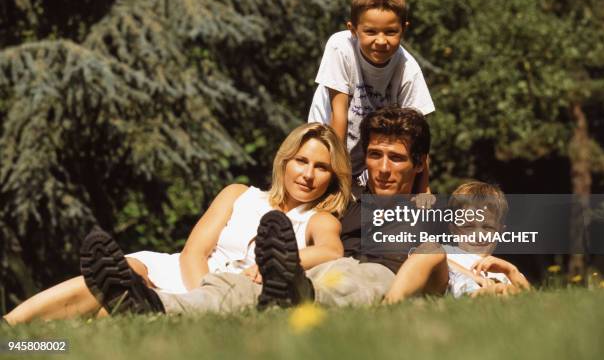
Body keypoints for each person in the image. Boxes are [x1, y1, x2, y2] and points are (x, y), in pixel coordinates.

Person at [2, 122, 352, 324]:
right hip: (188, 274)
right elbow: (192, 253)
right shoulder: (239, 194)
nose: (308, 175)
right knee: (123, 271)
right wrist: (201, 288)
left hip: (230, 292)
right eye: (301, 161)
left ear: (332, 177)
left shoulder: (316, 218)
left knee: (109, 313)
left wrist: (283, 262)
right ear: (284, 161)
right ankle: (10, 328)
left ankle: (31, 347)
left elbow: (330, 250)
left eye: (321, 167)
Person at [258, 106, 433, 308]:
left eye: (396, 158)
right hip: (319, 273)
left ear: (419, 163)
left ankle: (301, 295)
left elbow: (443, 261)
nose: (383, 169)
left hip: (377, 279)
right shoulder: (340, 201)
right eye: (375, 155)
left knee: (358, 277)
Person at [307, 0, 435, 186]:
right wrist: (337, 182)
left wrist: (423, 189)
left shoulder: (408, 70)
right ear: (353, 30)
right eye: (371, 32)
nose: (381, 40)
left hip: (368, 162)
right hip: (327, 147)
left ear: (404, 29)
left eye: (391, 32)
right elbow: (338, 118)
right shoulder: (340, 48)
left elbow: (417, 137)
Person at [384, 181, 531, 304]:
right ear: (453, 229)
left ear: (500, 232)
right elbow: (418, 258)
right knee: (431, 248)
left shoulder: (504, 273)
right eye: (468, 226)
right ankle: (389, 305)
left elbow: (532, 300)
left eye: (487, 227)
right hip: (442, 289)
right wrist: (471, 275)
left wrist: (510, 270)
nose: (478, 235)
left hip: (482, 300)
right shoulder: (447, 252)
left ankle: (487, 295)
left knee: (507, 291)